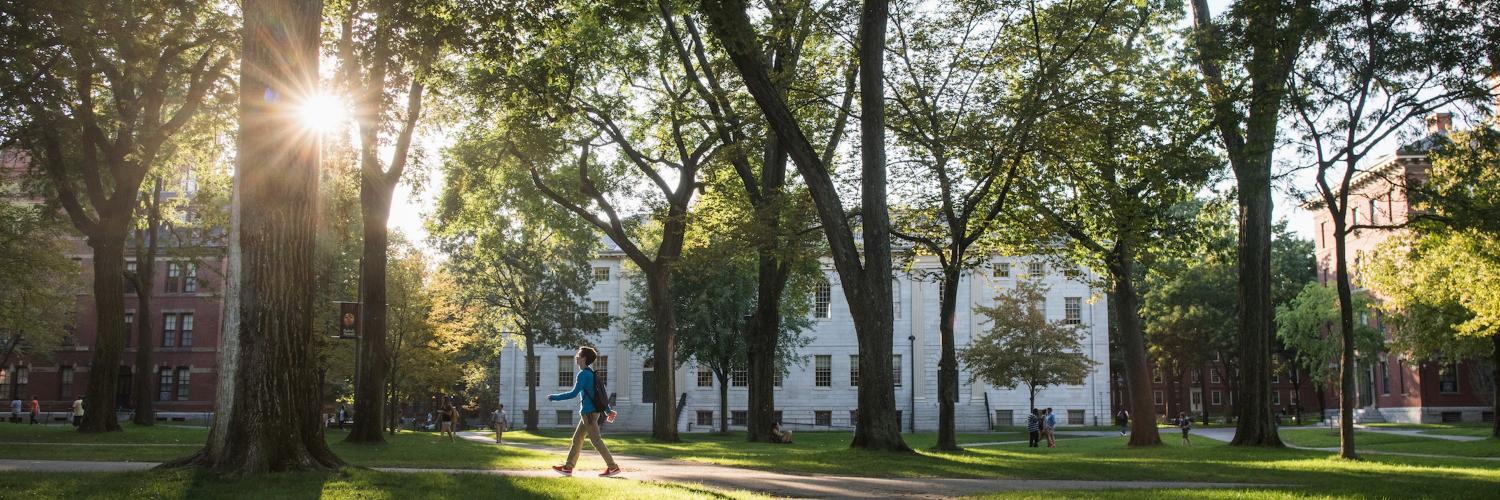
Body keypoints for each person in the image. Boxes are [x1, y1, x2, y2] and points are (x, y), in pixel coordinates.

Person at [548, 346, 621, 478]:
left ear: (584, 358)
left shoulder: (583, 375)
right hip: (590, 413)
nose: (576, 356)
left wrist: (554, 397)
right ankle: (568, 467)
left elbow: (573, 394)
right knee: (577, 439)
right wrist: (608, 411)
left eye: (579, 354)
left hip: (589, 414)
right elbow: (600, 395)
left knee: (596, 440)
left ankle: (613, 467)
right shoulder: (592, 374)